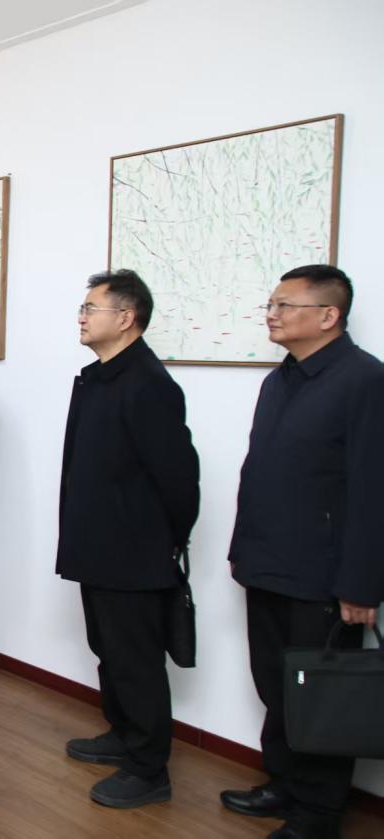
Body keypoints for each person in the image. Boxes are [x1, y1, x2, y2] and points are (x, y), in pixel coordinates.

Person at [222, 265, 384, 839]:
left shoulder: (365, 381)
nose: (272, 314)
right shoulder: (280, 380)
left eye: (284, 305)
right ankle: (284, 784)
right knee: (275, 684)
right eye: (271, 304)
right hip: (268, 563)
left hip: (324, 576)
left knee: (321, 695)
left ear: (328, 315)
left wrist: (361, 585)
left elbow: (372, 490)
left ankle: (317, 815)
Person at [57, 270, 200, 809]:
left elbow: (180, 480)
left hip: (134, 553)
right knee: (109, 651)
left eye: (89, 308)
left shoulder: (149, 384)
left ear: (125, 317)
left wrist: (164, 542)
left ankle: (149, 769)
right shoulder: (97, 377)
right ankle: (123, 734)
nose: (81, 316)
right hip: (98, 546)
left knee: (137, 662)